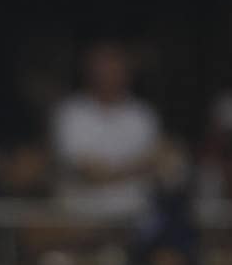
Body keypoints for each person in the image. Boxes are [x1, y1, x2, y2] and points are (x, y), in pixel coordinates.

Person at [52, 40, 165, 220]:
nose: (109, 76)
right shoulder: (71, 113)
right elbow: (89, 172)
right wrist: (139, 166)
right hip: (81, 218)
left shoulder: (143, 115)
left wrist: (110, 173)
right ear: (90, 72)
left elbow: (162, 165)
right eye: (103, 70)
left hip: (136, 218)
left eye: (115, 69)